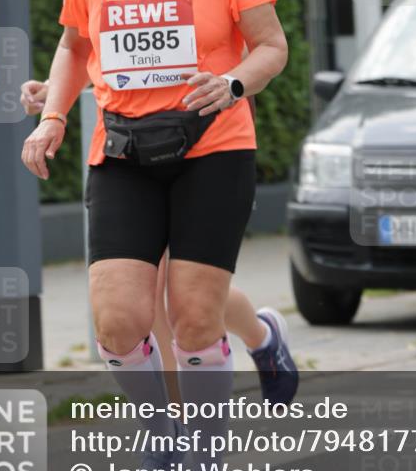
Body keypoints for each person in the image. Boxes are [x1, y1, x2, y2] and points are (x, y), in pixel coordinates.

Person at [21, 0, 290, 471]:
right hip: (125, 152)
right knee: (117, 321)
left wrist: (233, 82)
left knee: (195, 322)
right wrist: (52, 116)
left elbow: (270, 45)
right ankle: (159, 440)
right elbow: (77, 48)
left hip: (212, 147)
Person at [20, 77, 299, 401]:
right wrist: (57, 87)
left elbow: (249, 52)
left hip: (208, 147)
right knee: (161, 293)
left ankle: (262, 339)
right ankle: (183, 415)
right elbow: (108, 46)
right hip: (134, 151)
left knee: (188, 296)